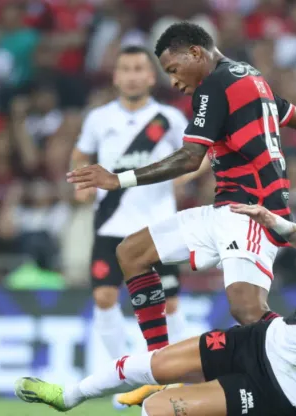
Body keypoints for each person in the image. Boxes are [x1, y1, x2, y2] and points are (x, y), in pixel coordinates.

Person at [67, 23, 296, 403]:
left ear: (195, 53)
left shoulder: (215, 87)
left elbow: (189, 158)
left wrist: (119, 178)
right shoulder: (250, 79)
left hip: (253, 212)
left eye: (174, 69)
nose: (175, 82)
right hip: (224, 209)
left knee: (248, 312)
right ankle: (160, 371)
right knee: (132, 252)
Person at [15, 202, 296, 416]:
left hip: (283, 390)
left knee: (155, 410)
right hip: (264, 340)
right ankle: (68, 396)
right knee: (155, 366)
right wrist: (273, 221)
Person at [71, 46, 207, 366]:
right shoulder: (99, 118)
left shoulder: (169, 119)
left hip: (157, 226)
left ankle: (178, 374)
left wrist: (183, 178)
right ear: (116, 77)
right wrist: (81, 183)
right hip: (110, 222)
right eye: (126, 70)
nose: (132, 76)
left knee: (169, 303)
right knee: (104, 297)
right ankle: (125, 374)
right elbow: (80, 154)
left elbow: (201, 155)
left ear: (150, 76)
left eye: (138, 69)